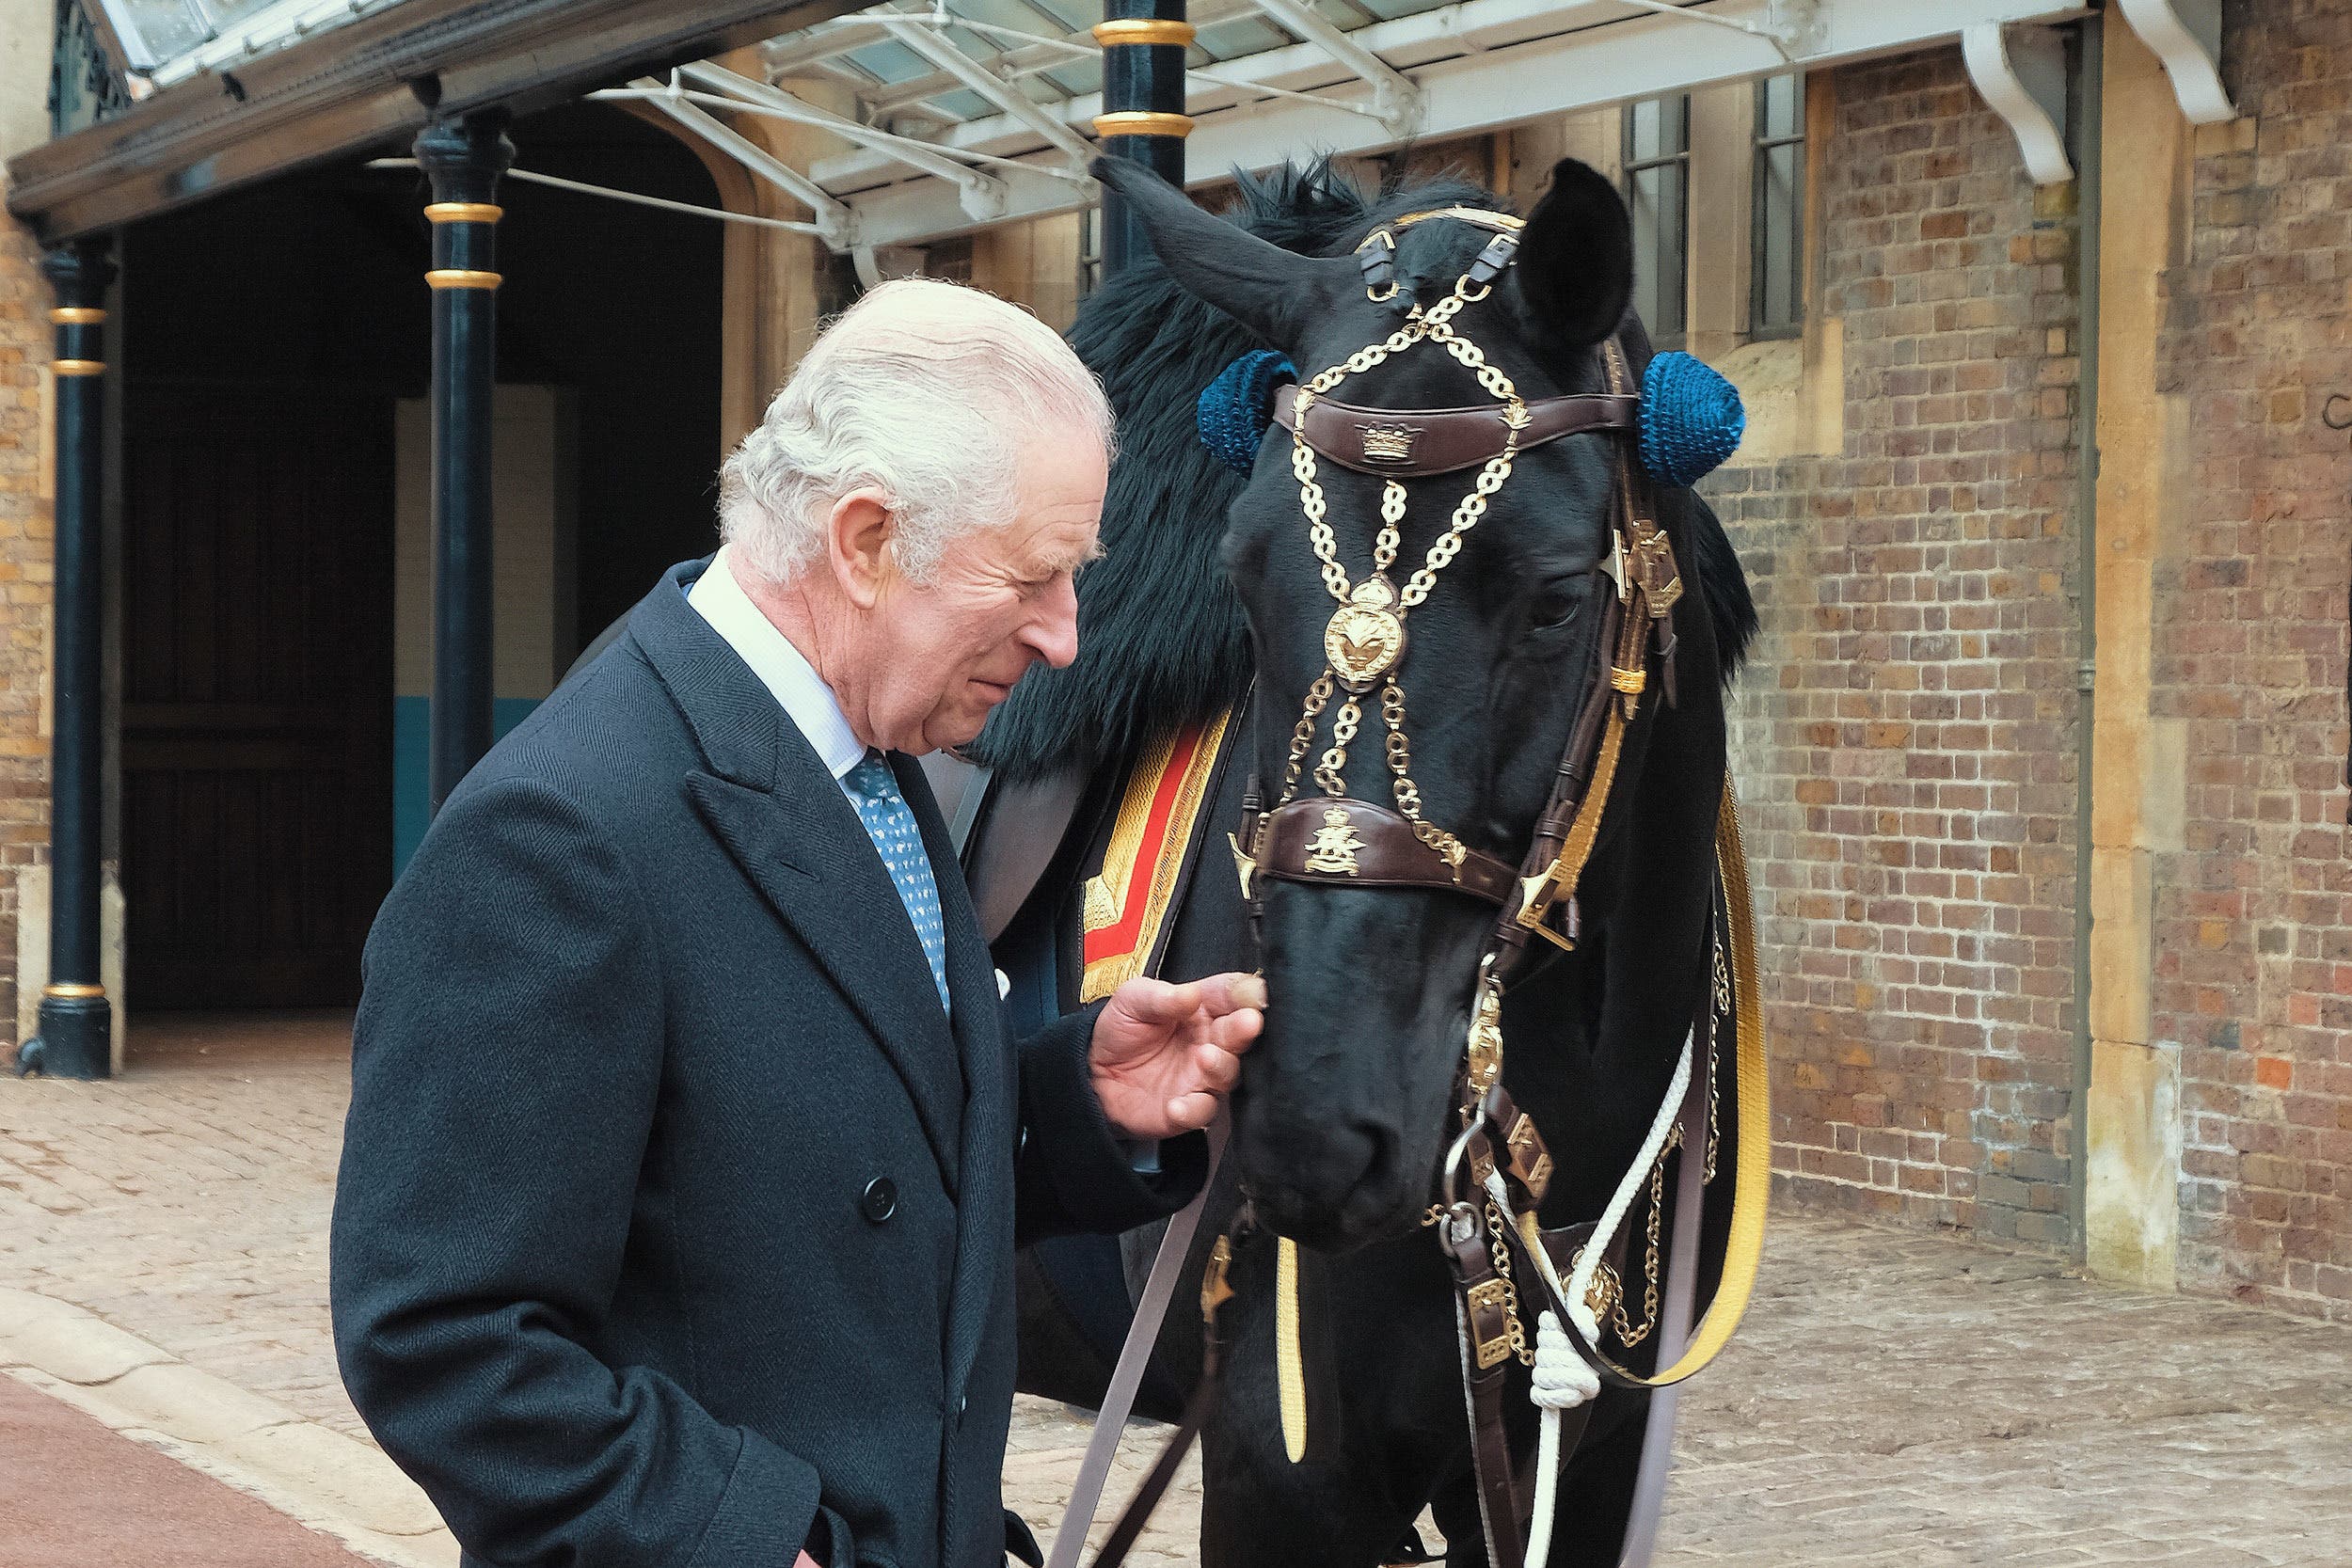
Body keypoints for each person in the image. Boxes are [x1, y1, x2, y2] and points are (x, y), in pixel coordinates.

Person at [329, 279, 1263, 1568]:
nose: (1065, 637)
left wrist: (1066, 1100)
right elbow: (443, 1335)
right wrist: (750, 1540)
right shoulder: (557, 836)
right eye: (1033, 578)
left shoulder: (868, 756)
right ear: (867, 540)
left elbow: (808, 1187)